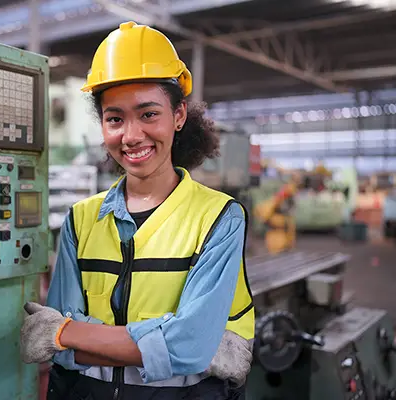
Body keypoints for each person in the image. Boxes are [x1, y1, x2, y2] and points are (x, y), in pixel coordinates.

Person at [20, 21, 254, 400]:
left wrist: (66, 332)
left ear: (178, 116)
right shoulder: (80, 220)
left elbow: (189, 346)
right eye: (115, 119)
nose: (130, 136)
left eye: (148, 114)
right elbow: (64, 359)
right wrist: (167, 343)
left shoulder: (220, 218)